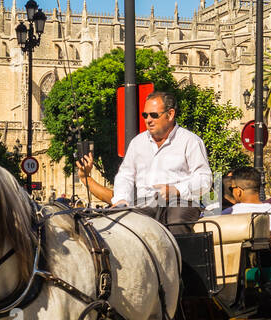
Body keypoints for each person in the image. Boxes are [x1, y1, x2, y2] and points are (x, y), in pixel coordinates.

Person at [76, 89, 213, 231]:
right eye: (145, 115)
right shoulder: (137, 142)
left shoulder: (190, 141)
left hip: (180, 203)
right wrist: (122, 199)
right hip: (144, 204)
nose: (148, 120)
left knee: (175, 224)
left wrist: (177, 190)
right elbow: (125, 175)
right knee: (121, 228)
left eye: (154, 115)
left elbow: (204, 178)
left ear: (170, 114)